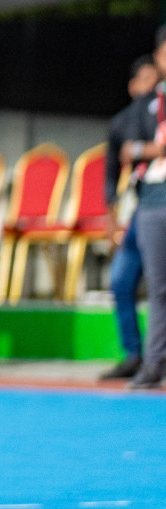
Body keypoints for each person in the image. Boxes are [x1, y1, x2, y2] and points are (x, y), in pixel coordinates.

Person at [100, 54, 158, 380]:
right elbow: (111, 173)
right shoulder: (123, 122)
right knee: (122, 281)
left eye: (156, 80)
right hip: (141, 211)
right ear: (133, 86)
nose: (151, 88)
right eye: (145, 81)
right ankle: (134, 354)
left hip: (161, 208)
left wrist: (146, 150)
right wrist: (111, 219)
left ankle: (155, 358)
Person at [115, 26, 166, 389]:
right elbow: (127, 148)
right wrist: (153, 150)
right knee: (158, 287)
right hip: (152, 202)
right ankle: (152, 363)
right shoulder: (148, 104)